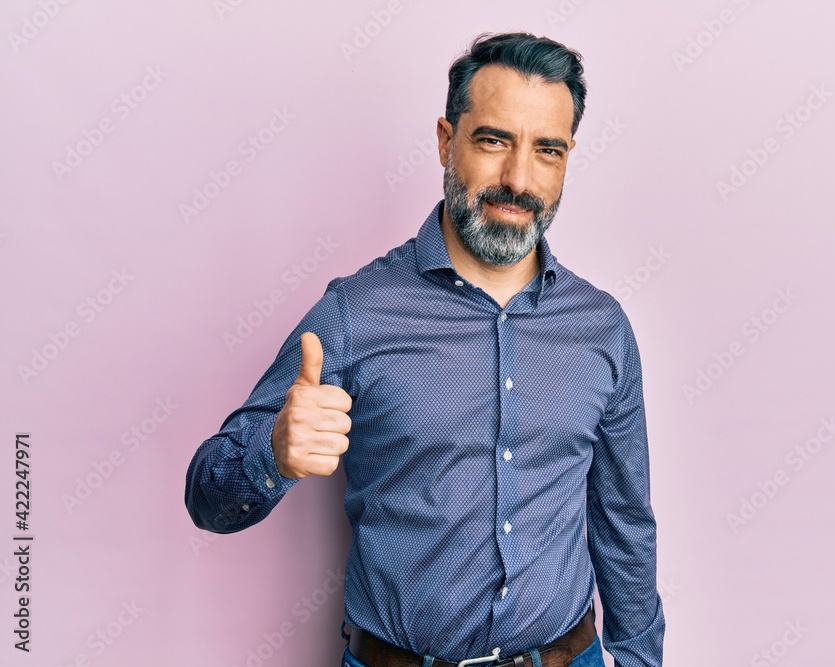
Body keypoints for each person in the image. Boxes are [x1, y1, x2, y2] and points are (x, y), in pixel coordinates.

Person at [184, 31, 664, 667]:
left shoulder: (602, 327)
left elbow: (625, 524)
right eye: (493, 141)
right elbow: (206, 500)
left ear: (567, 156)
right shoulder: (355, 314)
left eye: (546, 150)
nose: (518, 179)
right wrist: (273, 453)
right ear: (446, 140)